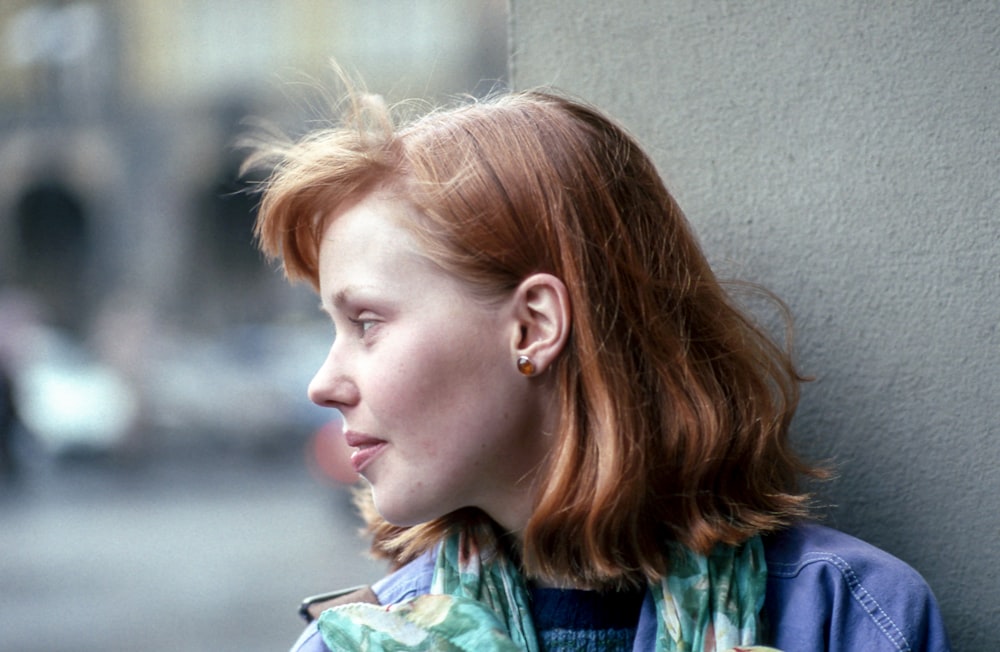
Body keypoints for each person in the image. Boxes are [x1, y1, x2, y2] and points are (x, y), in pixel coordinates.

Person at [247, 86, 950, 651]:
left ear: (534, 326)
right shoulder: (356, 644)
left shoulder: (851, 621)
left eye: (366, 322)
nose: (323, 382)